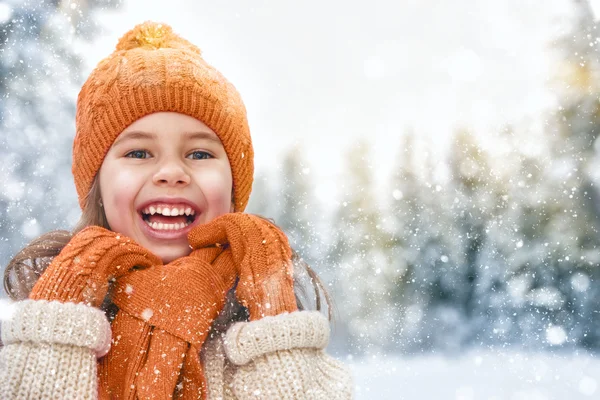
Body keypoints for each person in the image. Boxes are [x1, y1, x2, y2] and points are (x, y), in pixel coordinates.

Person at [0, 21, 353, 399]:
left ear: (234, 189)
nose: (171, 172)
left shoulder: (259, 334)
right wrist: (57, 320)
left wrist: (273, 312)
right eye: (138, 153)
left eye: (199, 154)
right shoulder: (38, 325)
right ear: (98, 187)